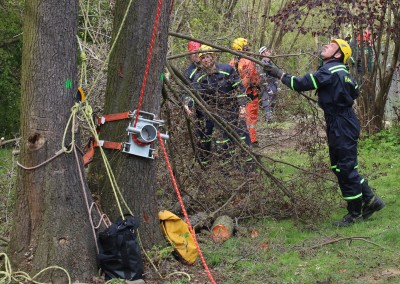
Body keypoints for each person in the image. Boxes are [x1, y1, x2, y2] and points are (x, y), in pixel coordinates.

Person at [263, 39, 385, 227]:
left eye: (331, 46)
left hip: (341, 123)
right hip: (342, 122)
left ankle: (354, 214)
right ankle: (370, 200)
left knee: (345, 168)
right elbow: (356, 92)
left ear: (338, 55)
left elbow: (300, 83)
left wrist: (280, 74)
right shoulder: (342, 72)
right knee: (340, 167)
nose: (326, 46)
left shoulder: (329, 71)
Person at [191, 45, 250, 164]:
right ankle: (226, 169)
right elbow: (194, 94)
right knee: (222, 142)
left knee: (242, 137)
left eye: (208, 57)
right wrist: (188, 104)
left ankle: (249, 167)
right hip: (215, 114)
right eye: (203, 58)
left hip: (233, 110)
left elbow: (239, 88)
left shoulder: (227, 69)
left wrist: (242, 107)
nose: (206, 60)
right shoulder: (199, 77)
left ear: (213, 57)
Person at [230, 38, 261, 147]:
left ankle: (240, 139)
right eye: (246, 46)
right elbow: (252, 78)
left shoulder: (231, 62)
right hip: (250, 94)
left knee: (240, 118)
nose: (248, 48)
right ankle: (252, 141)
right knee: (250, 119)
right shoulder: (248, 62)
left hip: (237, 96)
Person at [257, 46, 279, 122]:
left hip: (273, 84)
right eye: (267, 51)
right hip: (266, 85)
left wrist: (277, 85)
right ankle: (268, 119)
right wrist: (268, 88)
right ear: (263, 53)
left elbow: (275, 75)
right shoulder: (261, 63)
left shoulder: (271, 63)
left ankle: (272, 118)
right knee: (266, 102)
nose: (269, 51)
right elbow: (262, 77)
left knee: (273, 102)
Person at [183, 41, 202, 116]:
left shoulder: (210, 66)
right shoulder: (188, 72)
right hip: (200, 108)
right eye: (194, 52)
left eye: (198, 51)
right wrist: (186, 104)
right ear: (190, 54)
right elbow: (184, 90)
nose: (196, 54)